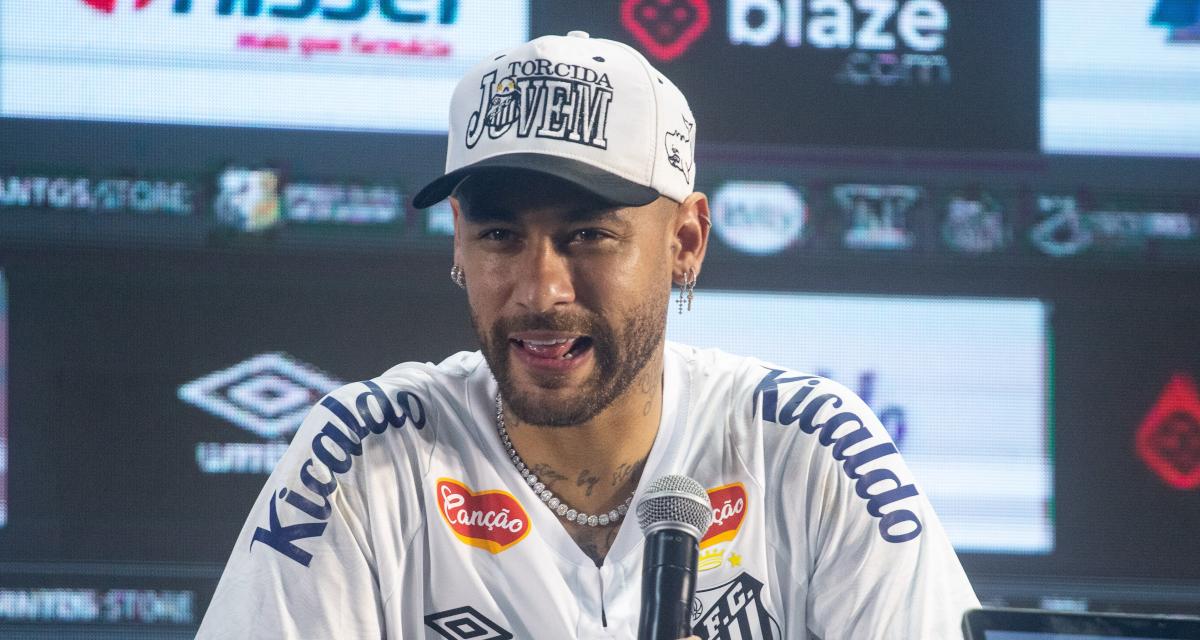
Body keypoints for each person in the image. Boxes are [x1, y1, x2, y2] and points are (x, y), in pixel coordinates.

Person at [197, 31, 979, 639]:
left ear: (685, 243)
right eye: (500, 235)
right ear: (459, 239)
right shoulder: (367, 453)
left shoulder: (810, 446)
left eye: (589, 235)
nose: (540, 290)